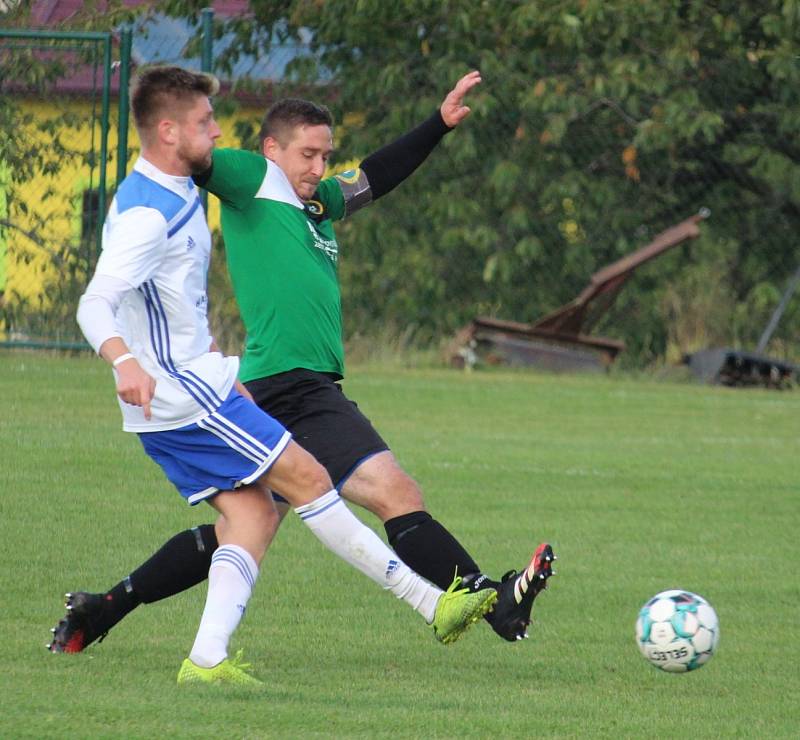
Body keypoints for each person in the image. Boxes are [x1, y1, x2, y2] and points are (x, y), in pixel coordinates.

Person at [49, 68, 554, 657]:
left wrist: (438, 124)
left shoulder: (318, 203)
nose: (318, 167)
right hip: (289, 385)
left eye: (325, 155)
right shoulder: (254, 177)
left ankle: (106, 607)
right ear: (270, 149)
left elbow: (376, 177)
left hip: (282, 385)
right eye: (307, 154)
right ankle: (493, 602)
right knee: (393, 490)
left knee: (246, 527)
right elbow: (191, 157)